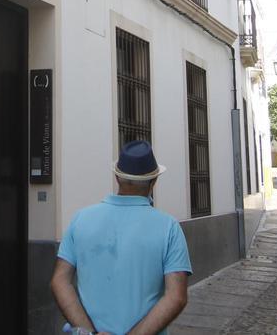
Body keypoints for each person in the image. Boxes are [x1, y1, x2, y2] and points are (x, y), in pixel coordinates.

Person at [51, 140, 192, 335]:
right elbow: (176, 297)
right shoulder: (169, 228)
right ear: (154, 181)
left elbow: (60, 280)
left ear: (117, 177)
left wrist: (90, 332)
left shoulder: (81, 219)